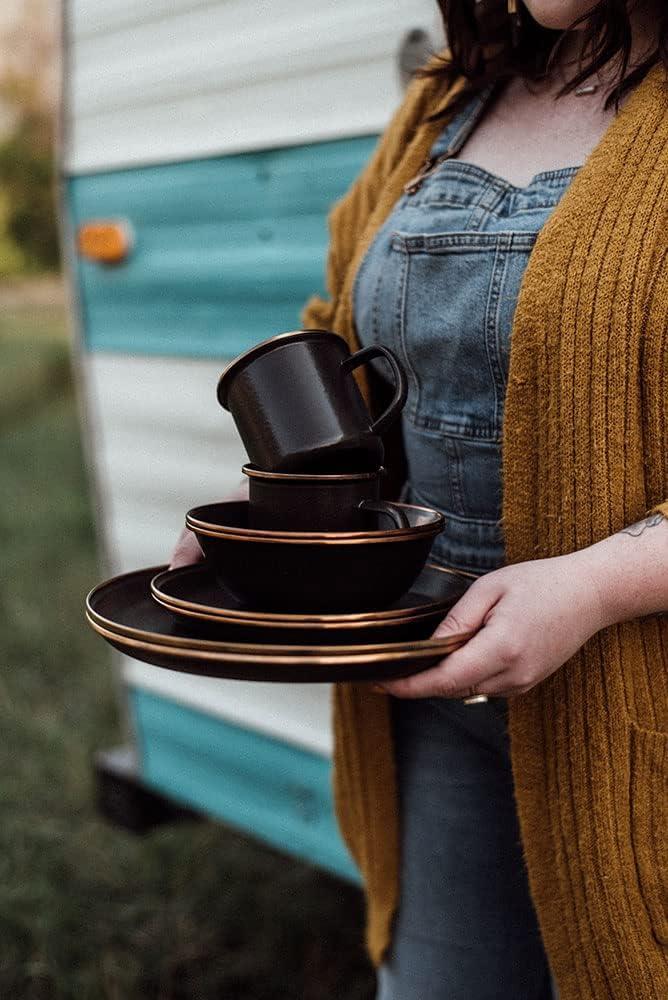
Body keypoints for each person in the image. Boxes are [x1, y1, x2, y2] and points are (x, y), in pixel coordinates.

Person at [172, 2, 668, 997]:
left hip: (636, 709)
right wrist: (277, 511)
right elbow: (338, 341)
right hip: (438, 699)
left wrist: (594, 586)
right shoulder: (448, 97)